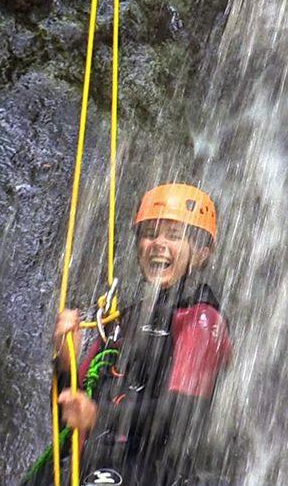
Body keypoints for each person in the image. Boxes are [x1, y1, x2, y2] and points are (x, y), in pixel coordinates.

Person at [52, 183, 232, 486]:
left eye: (174, 235)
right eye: (150, 233)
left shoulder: (201, 319)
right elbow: (66, 419)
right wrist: (64, 363)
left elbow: (182, 414)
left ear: (201, 253)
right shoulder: (124, 320)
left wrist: (100, 415)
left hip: (158, 472)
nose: (158, 243)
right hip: (99, 467)